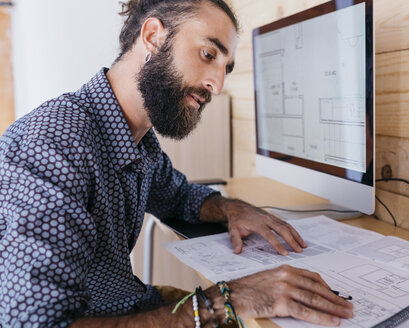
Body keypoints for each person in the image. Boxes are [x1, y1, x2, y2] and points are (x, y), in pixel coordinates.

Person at [0, 0, 354, 327]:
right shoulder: (56, 143)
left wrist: (233, 208)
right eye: (207, 53)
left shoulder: (137, 139)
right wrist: (228, 300)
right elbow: (37, 323)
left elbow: (179, 196)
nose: (216, 84)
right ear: (153, 37)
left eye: (226, 68)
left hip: (123, 303)